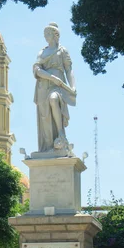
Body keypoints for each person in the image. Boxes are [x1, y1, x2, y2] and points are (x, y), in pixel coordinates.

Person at [33, 22, 77, 153]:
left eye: (48, 33)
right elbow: (36, 69)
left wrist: (73, 86)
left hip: (58, 85)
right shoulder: (42, 52)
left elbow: (69, 69)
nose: (46, 36)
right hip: (43, 85)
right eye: (45, 34)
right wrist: (51, 77)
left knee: (54, 100)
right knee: (45, 117)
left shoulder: (62, 51)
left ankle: (61, 135)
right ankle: (48, 146)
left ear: (55, 35)